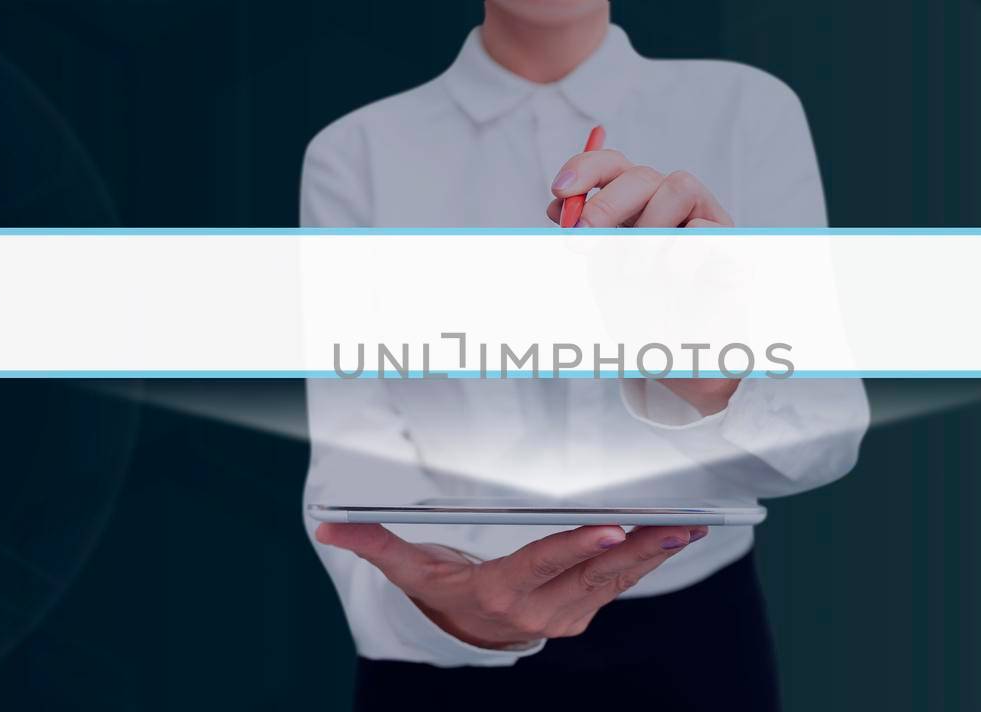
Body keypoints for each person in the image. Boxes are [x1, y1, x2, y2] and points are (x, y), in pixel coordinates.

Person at [299, 1, 868, 709]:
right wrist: (445, 611)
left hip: (693, 637)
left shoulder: (747, 108)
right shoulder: (357, 151)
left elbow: (826, 440)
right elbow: (353, 447)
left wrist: (712, 374)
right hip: (449, 636)